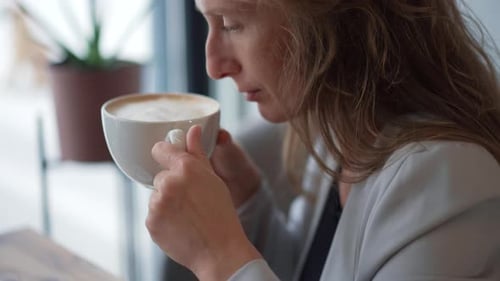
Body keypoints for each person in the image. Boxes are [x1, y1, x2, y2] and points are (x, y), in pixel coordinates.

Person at [146, 0, 500, 280]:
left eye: (231, 24)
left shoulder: (443, 180)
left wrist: (218, 257)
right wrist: (248, 200)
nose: (214, 65)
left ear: (333, 16)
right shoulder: (338, 131)